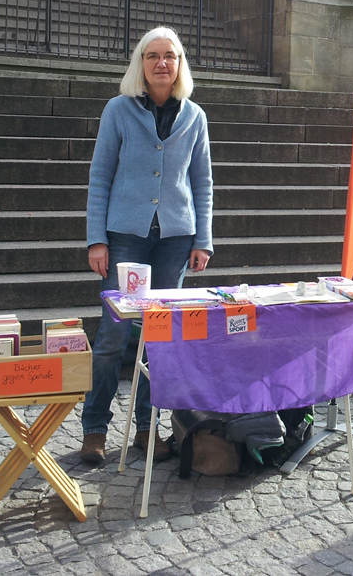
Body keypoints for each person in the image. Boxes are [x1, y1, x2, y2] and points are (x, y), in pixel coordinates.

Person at [81, 26, 214, 465]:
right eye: (152, 55)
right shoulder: (118, 111)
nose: (161, 63)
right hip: (127, 237)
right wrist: (97, 239)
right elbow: (100, 175)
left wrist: (204, 239)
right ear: (141, 63)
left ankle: (145, 429)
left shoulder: (195, 116)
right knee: (114, 334)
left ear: (180, 65)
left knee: (157, 338)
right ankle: (95, 430)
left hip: (175, 239)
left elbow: (202, 183)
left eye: (170, 56)